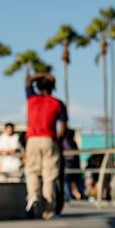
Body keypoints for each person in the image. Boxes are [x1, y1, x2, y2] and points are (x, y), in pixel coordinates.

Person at [24, 72, 67, 219]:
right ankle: (49, 211)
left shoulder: (32, 99)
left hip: (32, 139)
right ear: (52, 87)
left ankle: (33, 196)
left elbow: (28, 81)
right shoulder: (57, 103)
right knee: (50, 176)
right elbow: (63, 126)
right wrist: (59, 141)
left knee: (32, 171)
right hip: (49, 139)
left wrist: (42, 74)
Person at [62, 128, 85, 201]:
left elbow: (70, 156)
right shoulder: (73, 142)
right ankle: (82, 195)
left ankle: (68, 197)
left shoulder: (65, 142)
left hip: (68, 164)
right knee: (77, 181)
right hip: (75, 165)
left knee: (66, 181)